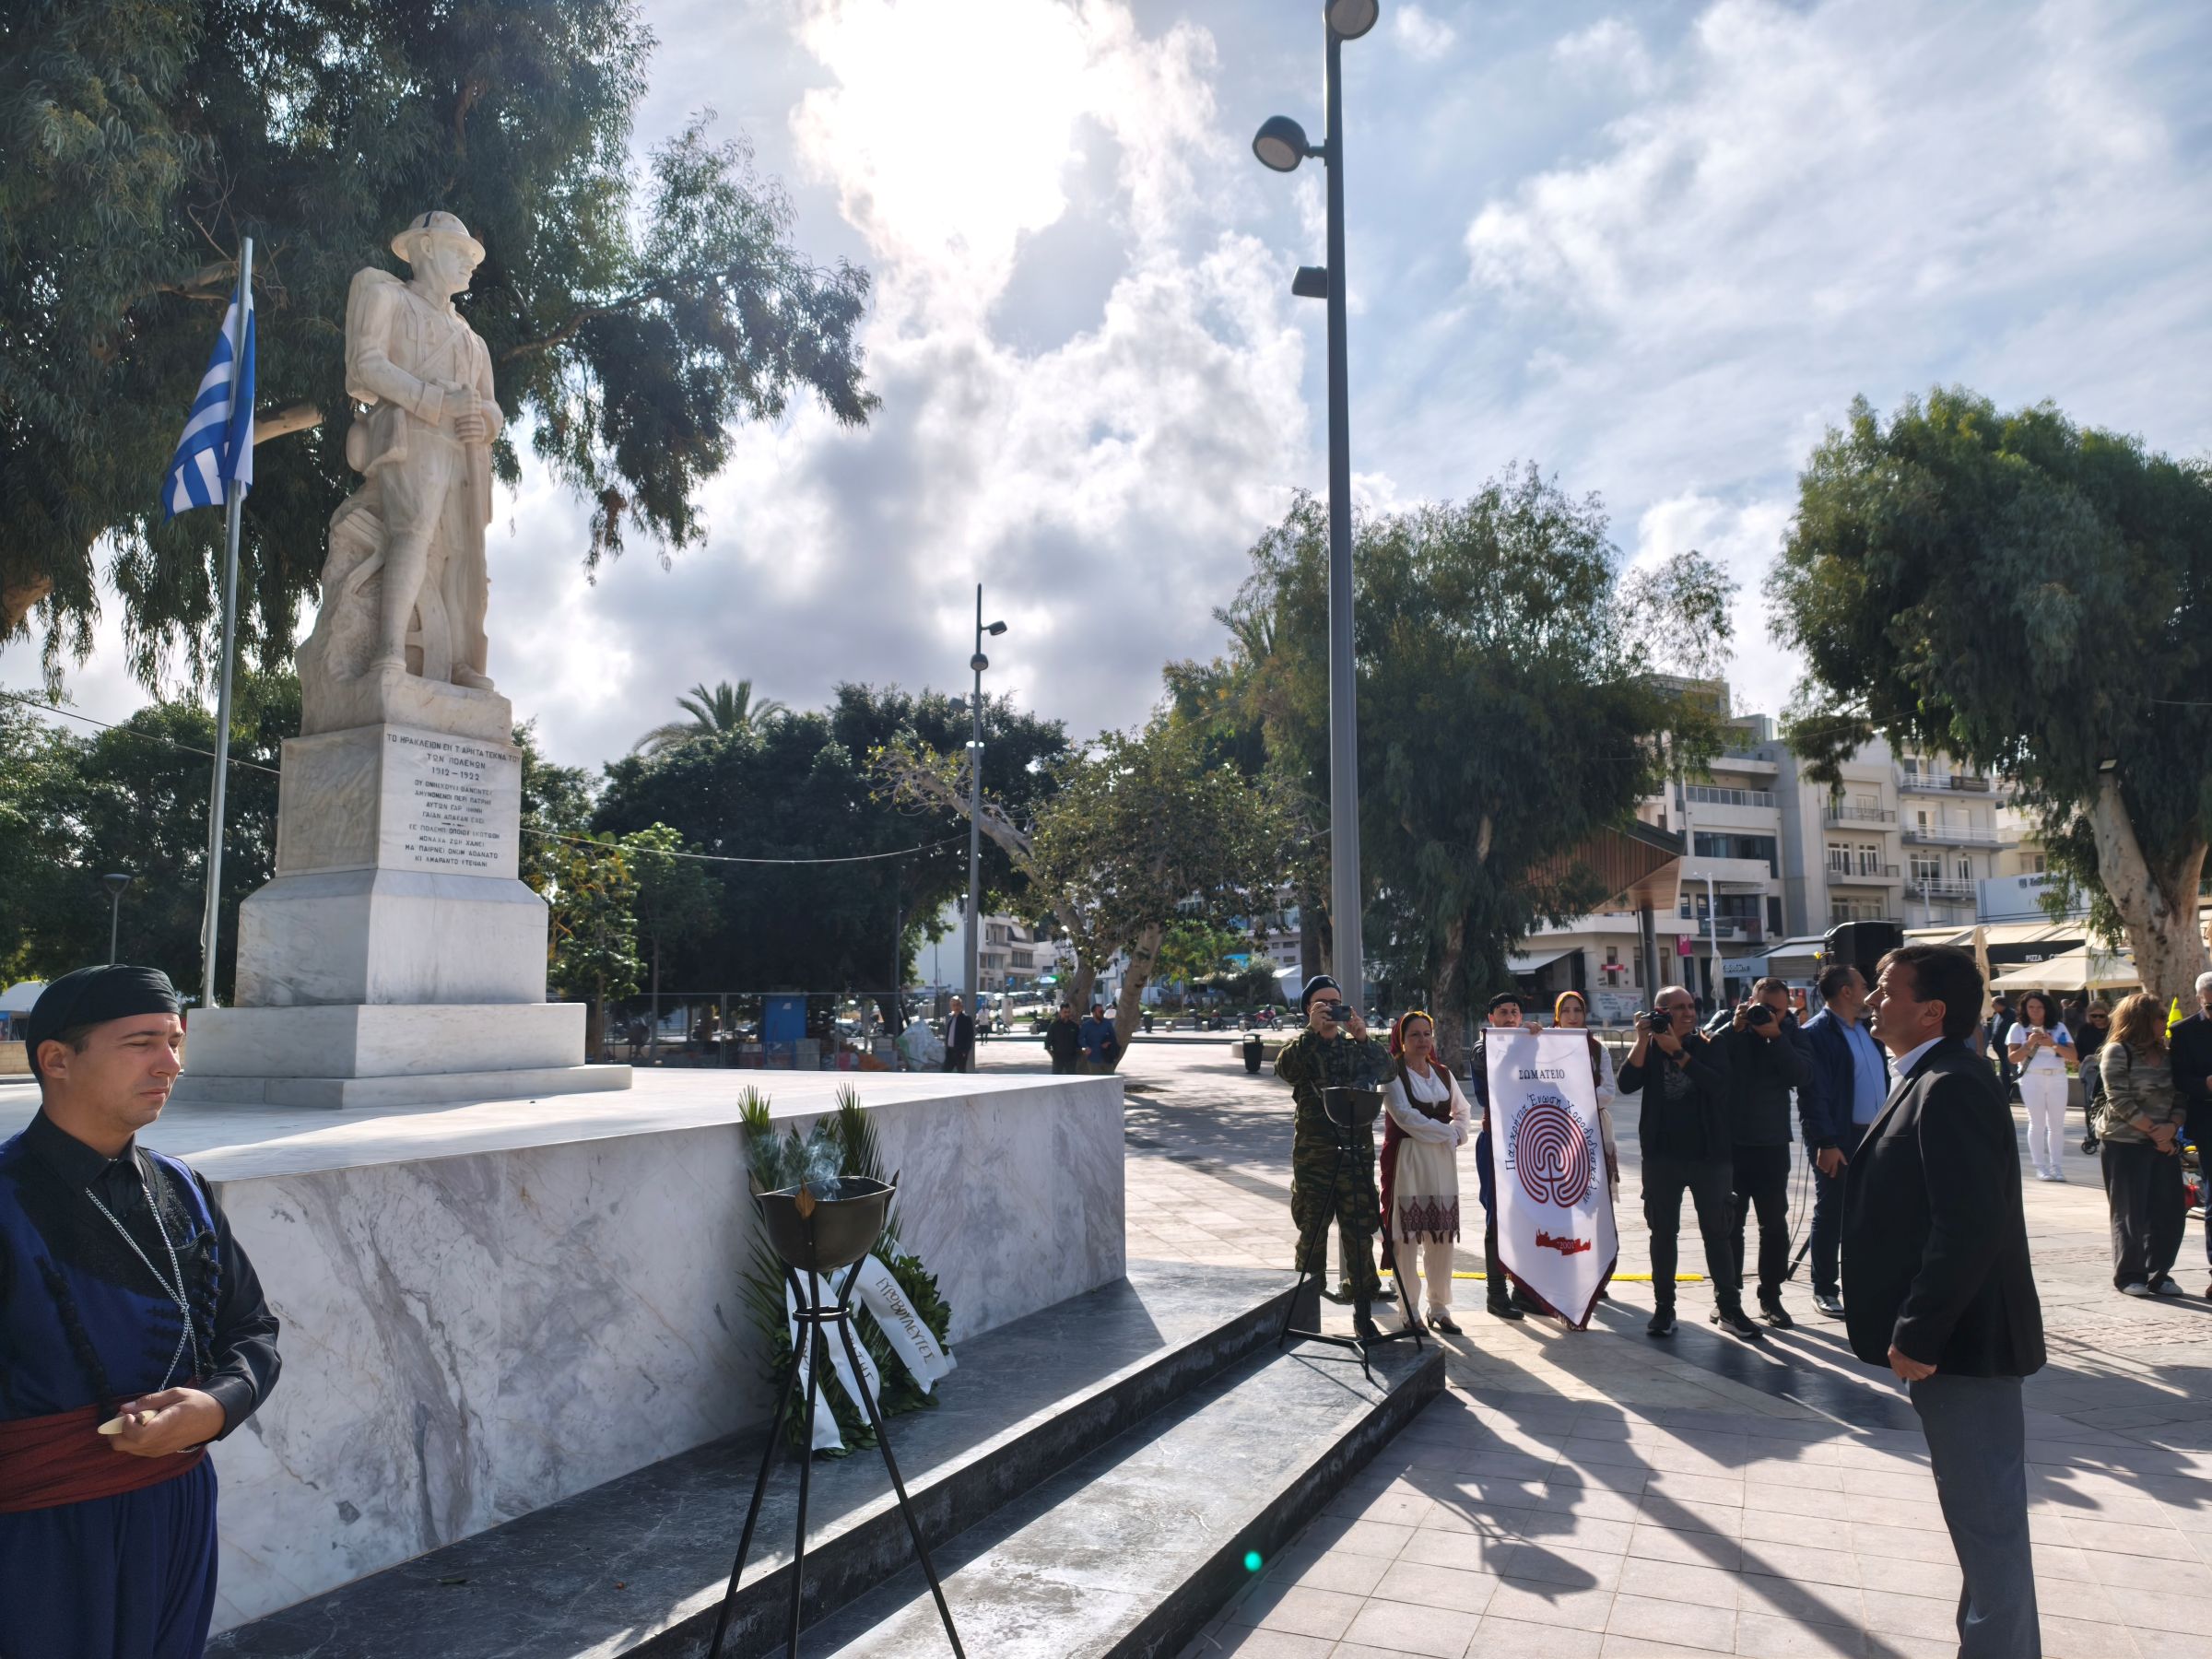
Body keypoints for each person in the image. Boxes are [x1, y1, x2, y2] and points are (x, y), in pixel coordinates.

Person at [1, 966, 283, 1659]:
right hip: (36, 1533)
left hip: (177, 1508)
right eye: (141, 1043)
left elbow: (251, 1329)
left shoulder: (182, 1186)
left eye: (175, 1041)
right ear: (57, 1060)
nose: (171, 1064)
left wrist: (216, 1407)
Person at [1843, 944, 2044, 1658]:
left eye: (1887, 989)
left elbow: (1969, 1225)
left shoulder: (1951, 1083)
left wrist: (1919, 1332)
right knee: (1978, 1523)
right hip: (1954, 1341)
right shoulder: (1929, 1076)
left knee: (1988, 1526)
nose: (1872, 1000)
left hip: (1964, 1344)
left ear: (1932, 1010)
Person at [1618, 984, 1756, 1339]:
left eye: (1691, 1006)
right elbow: (1626, 1083)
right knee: (1663, 1233)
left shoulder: (1711, 1043)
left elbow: (1718, 1086)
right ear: (1660, 1012)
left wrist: (1678, 1053)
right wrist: (1642, 1039)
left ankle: (1729, 1307)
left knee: (1718, 1233)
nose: (1689, 1013)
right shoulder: (1649, 1046)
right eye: (1678, 1008)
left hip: (1710, 1156)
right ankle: (1664, 1308)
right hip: (1662, 1157)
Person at [1274, 975, 1393, 1339]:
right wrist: (1313, 1033)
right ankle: (1304, 1314)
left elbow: (1389, 1071)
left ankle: (1363, 1313)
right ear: (1308, 1008)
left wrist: (1363, 1037)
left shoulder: (1355, 1047)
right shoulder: (1301, 1046)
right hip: (1315, 1158)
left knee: (1359, 1234)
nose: (1330, 1008)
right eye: (1322, 1003)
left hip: (1356, 1154)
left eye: (1336, 1002)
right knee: (1312, 1232)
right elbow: (1285, 1070)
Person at [1705, 976, 1813, 1328]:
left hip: (1771, 1144)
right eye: (1762, 1007)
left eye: (1776, 1010)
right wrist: (1735, 1028)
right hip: (1731, 1144)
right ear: (1749, 1001)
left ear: (1786, 1011)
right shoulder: (1728, 1022)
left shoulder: (1792, 1032)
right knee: (1729, 1226)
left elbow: (1801, 1075)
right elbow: (1705, 1056)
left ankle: (1771, 1296)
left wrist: (1776, 1037)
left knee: (1774, 1226)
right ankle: (1728, 1298)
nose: (1767, 1014)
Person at [1799, 963, 1889, 1319]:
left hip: (1874, 1133)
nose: (1869, 992)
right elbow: (1813, 1094)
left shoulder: (1869, 1029)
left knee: (1870, 1210)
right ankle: (1824, 1288)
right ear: (1846, 991)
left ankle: (1865, 1283)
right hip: (1838, 1137)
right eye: (1864, 985)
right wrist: (1826, 1141)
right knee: (1833, 1211)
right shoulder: (1815, 1033)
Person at [1378, 1011, 1469, 1334]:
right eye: (1415, 1034)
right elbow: (1406, 1117)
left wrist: (1458, 1133)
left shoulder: (1442, 1073)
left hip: (1442, 1162)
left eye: (1427, 1033)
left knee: (1441, 1235)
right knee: (1406, 1237)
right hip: (1409, 1159)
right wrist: (1447, 1133)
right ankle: (1409, 1309)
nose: (1422, 1040)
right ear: (1402, 1040)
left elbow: (1463, 1110)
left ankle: (1439, 1307)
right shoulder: (1392, 1074)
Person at [2095, 992, 2186, 1298]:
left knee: (2169, 1210)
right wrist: (2156, 1133)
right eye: (2160, 1016)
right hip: (2124, 1142)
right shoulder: (2118, 1051)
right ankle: (2130, 1275)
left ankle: (2159, 1272)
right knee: (2130, 1212)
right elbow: (2118, 1098)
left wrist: (2171, 1127)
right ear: (2142, 1019)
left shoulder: (2169, 1054)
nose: (2165, 1022)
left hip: (2163, 1143)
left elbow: (2180, 1095)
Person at [1467, 993, 1541, 1321]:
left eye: (1514, 1012)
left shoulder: (1527, 1043)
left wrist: (1536, 1043)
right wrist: (1525, 1043)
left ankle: (1523, 1292)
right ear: (1491, 1018)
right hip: (1496, 1142)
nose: (1510, 1017)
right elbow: (1496, 1082)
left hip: (1527, 1141)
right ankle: (1495, 1294)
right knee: (1497, 1218)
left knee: (1526, 1215)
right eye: (1503, 1012)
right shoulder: (1482, 1048)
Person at [1551, 993, 1621, 1206]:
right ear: (1558, 1015)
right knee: (1560, 1190)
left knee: (1597, 1194)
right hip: (1557, 1128)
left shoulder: (1598, 1050)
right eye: (1566, 1011)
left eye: (1577, 1010)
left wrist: (1571, 1097)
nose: (1572, 1016)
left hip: (1593, 1125)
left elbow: (1607, 1093)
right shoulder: (1545, 1046)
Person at [2006, 992, 2077, 1182]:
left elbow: (2073, 1056)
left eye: (2039, 1007)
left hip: (2057, 1076)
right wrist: (2029, 1043)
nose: (2035, 1011)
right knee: (2037, 1123)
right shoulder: (2017, 1028)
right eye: (2031, 1007)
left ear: (2047, 1009)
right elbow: (2012, 1058)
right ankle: (2040, 1167)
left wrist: (2053, 1044)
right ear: (2024, 1009)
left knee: (2057, 1124)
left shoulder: (2059, 1027)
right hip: (2032, 1077)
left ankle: (2057, 1166)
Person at [2169, 972, 2212, 1226]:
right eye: (2210, 1006)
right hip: (2207, 1119)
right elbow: (2178, 1079)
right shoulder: (2183, 1032)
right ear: (2198, 1000)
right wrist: (2204, 1084)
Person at [2077, 999, 2112, 1153]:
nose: (2098, 1019)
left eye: (2101, 1016)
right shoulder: (2085, 1030)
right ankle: (2092, 1134)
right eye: (2094, 1016)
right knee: (2091, 1102)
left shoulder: (2113, 1028)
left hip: (2110, 1068)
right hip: (2091, 1070)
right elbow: (2078, 1051)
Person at [1985, 994, 2020, 1103]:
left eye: (1993, 1004)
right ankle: (2006, 1096)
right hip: (2000, 1051)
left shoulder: (2012, 1015)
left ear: (2000, 1004)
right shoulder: (1997, 1015)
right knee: (2004, 1073)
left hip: (2009, 1050)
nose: (1992, 1006)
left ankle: (2020, 1094)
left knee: (2015, 1073)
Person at [1043, 1001, 1084, 1075]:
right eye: (1065, 1012)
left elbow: (1078, 1043)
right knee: (1057, 1079)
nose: (1067, 1014)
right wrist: (1054, 1057)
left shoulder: (1074, 1026)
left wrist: (1077, 1056)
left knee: (1071, 1078)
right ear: (1060, 1012)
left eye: (1068, 1012)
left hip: (1071, 1059)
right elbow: (1047, 1044)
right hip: (1058, 1059)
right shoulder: (1054, 1026)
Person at [941, 995, 975, 1075]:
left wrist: (965, 1051)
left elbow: (970, 1036)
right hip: (950, 1052)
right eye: (954, 1005)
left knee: (961, 1074)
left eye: (957, 1004)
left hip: (960, 1052)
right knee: (945, 1072)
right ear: (951, 1007)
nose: (956, 1007)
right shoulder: (951, 1020)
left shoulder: (966, 1019)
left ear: (961, 1005)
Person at [1077, 1004, 1112, 1073]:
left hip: (1107, 1058)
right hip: (1093, 1058)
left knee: (1110, 1078)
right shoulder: (1086, 1025)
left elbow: (1113, 1036)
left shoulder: (1107, 1023)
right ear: (1093, 1013)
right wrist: (1086, 1047)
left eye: (1102, 1011)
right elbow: (1080, 1038)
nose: (1102, 1013)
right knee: (1096, 1078)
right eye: (1100, 1011)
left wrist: (1108, 1042)